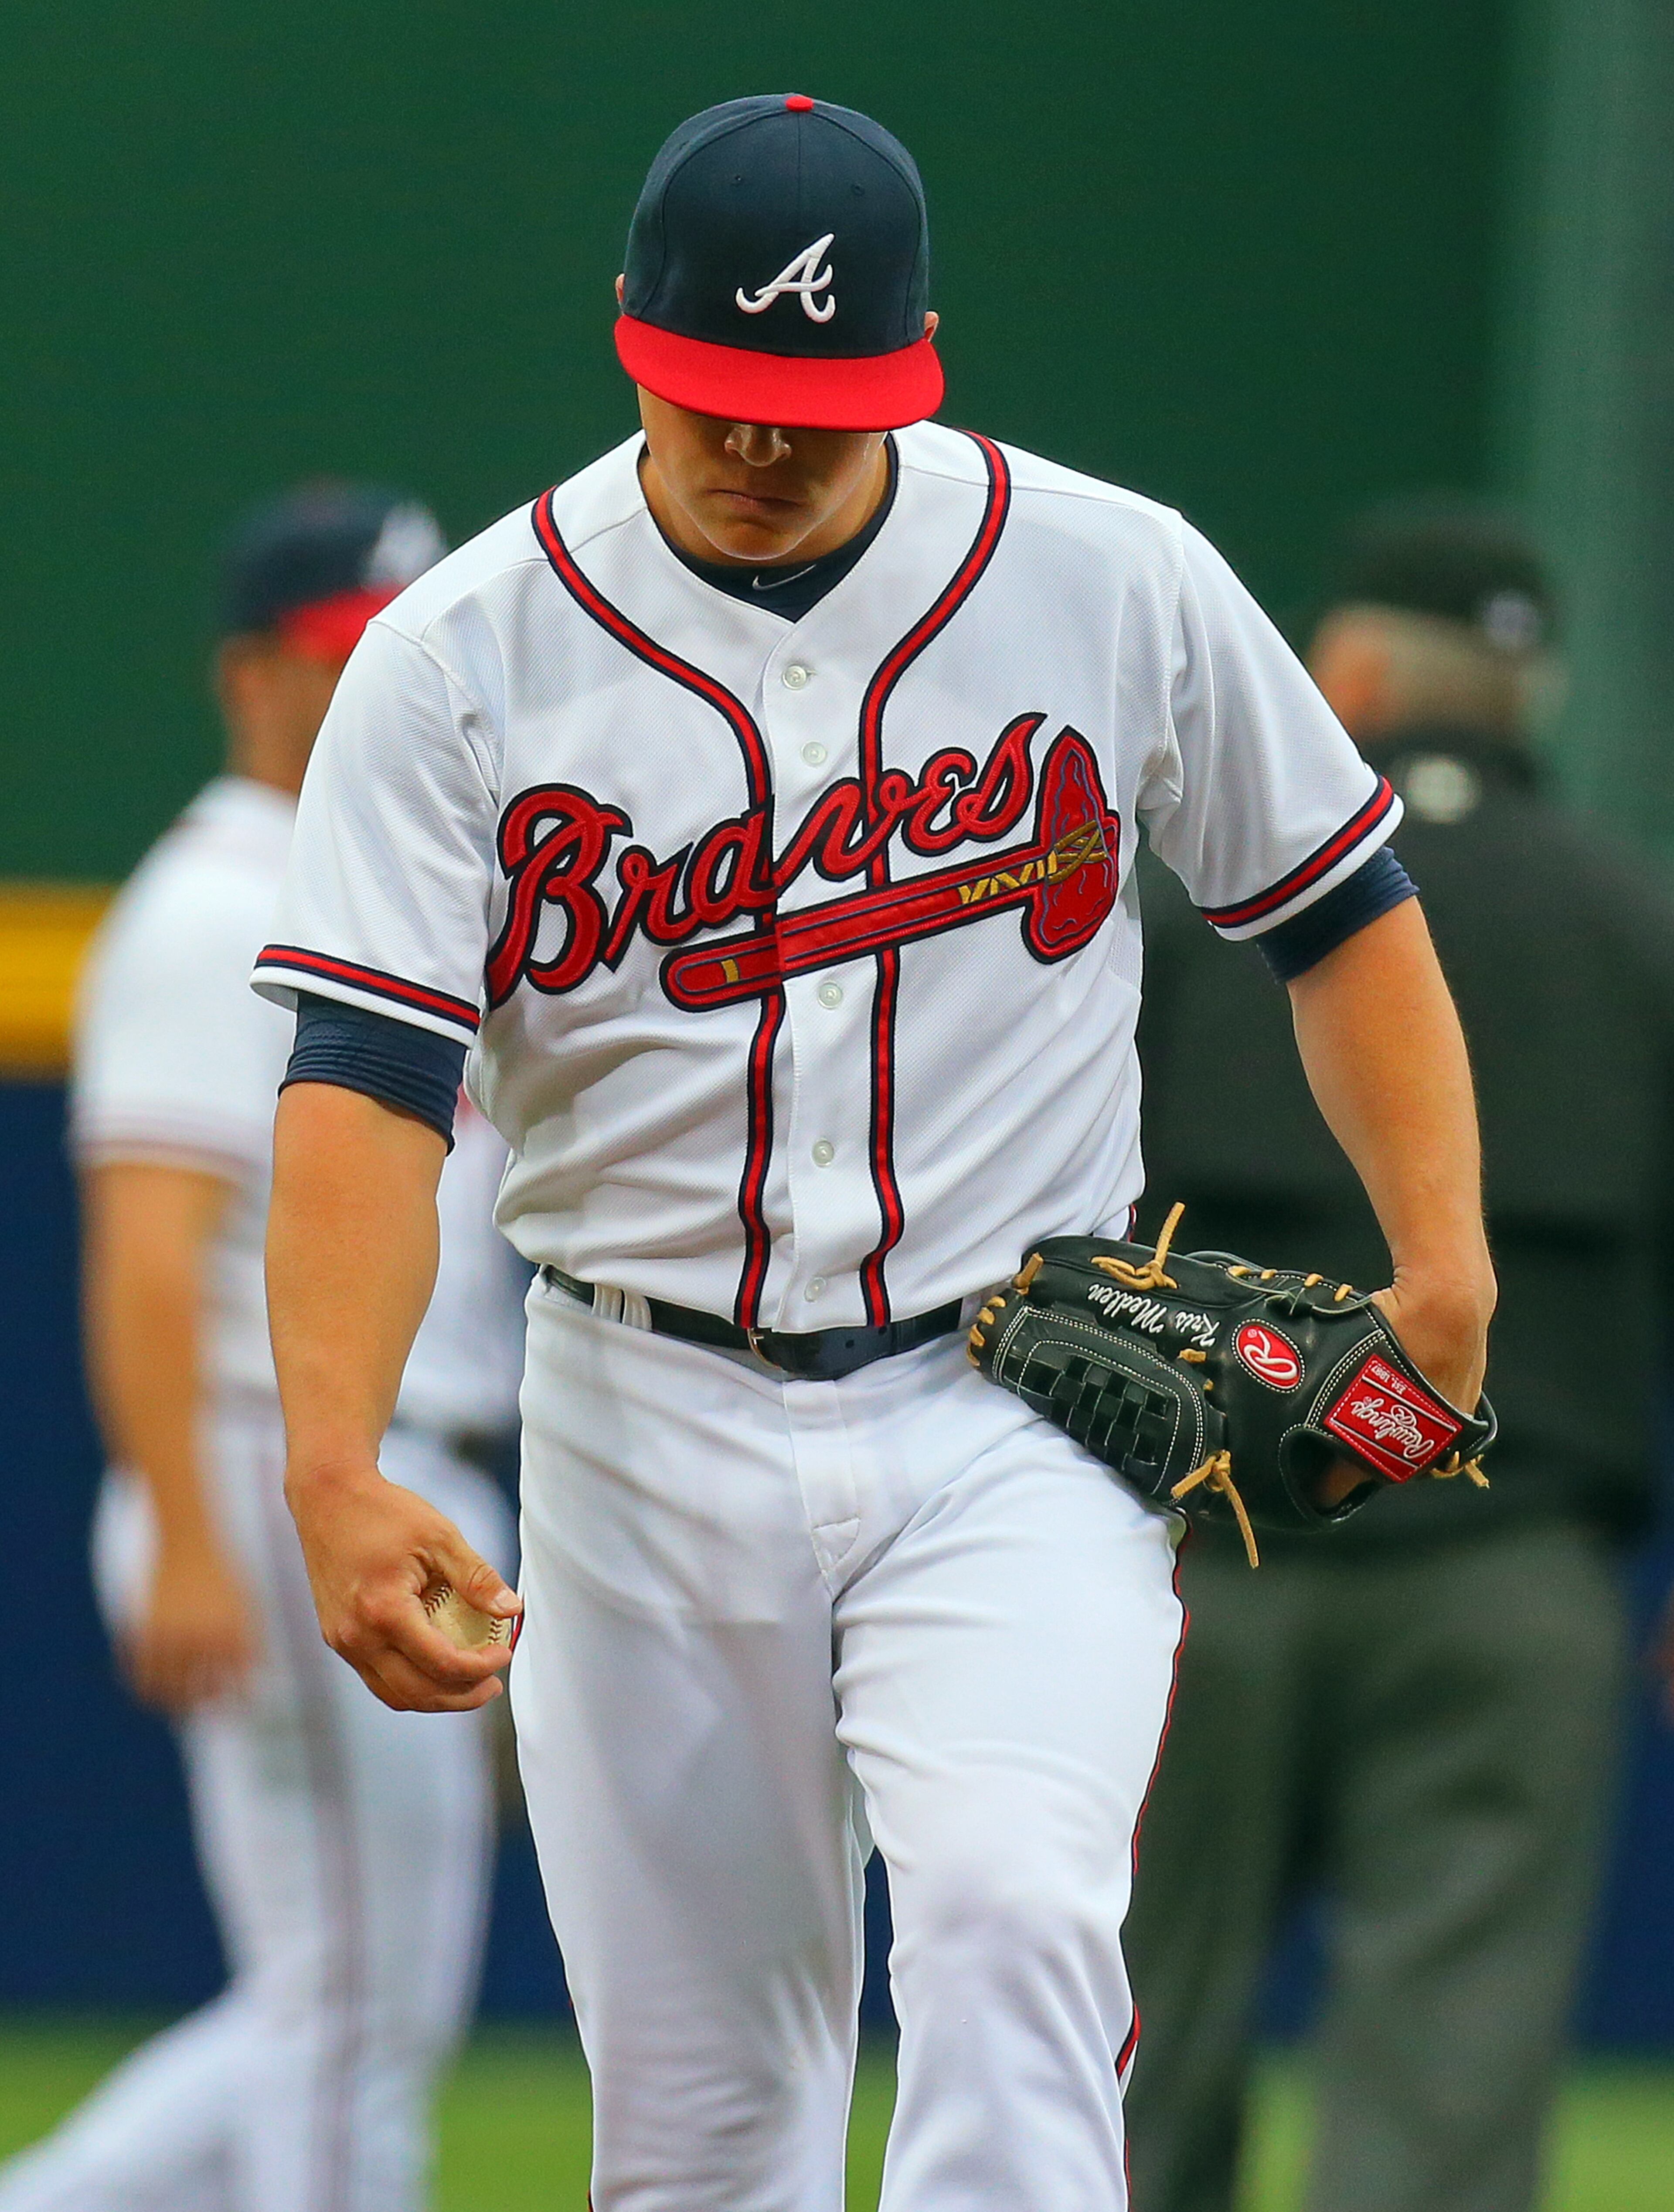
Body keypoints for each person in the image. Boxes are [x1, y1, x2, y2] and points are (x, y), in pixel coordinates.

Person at [250, 98, 1494, 2212]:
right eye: (725, 396)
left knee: (1017, 1922)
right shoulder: (463, 656)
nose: (763, 447)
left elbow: (1342, 914)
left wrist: (1440, 1261)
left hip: (1016, 1388)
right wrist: (334, 1456)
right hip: (638, 1405)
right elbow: (371, 1082)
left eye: (817, 408)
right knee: (702, 2125)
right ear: (630, 340)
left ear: (922, 362)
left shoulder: (1111, 573)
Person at [1123, 499, 1666, 2212]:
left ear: (1342, 675)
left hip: (1205, 1566)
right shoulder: (1635, 922)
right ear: (1532, 700)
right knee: (1450, 2084)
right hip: (1515, 1580)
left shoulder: (1181, 906)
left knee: (1122, 2060)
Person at [0, 485, 525, 2212]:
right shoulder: (218, 900)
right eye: (339, 649)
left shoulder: (369, 887)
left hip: (381, 1470)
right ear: (251, 675)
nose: (377, 677)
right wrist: (194, 1529)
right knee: (351, 2010)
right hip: (266, 1457)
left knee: (345, 1996)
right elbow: (150, 1258)